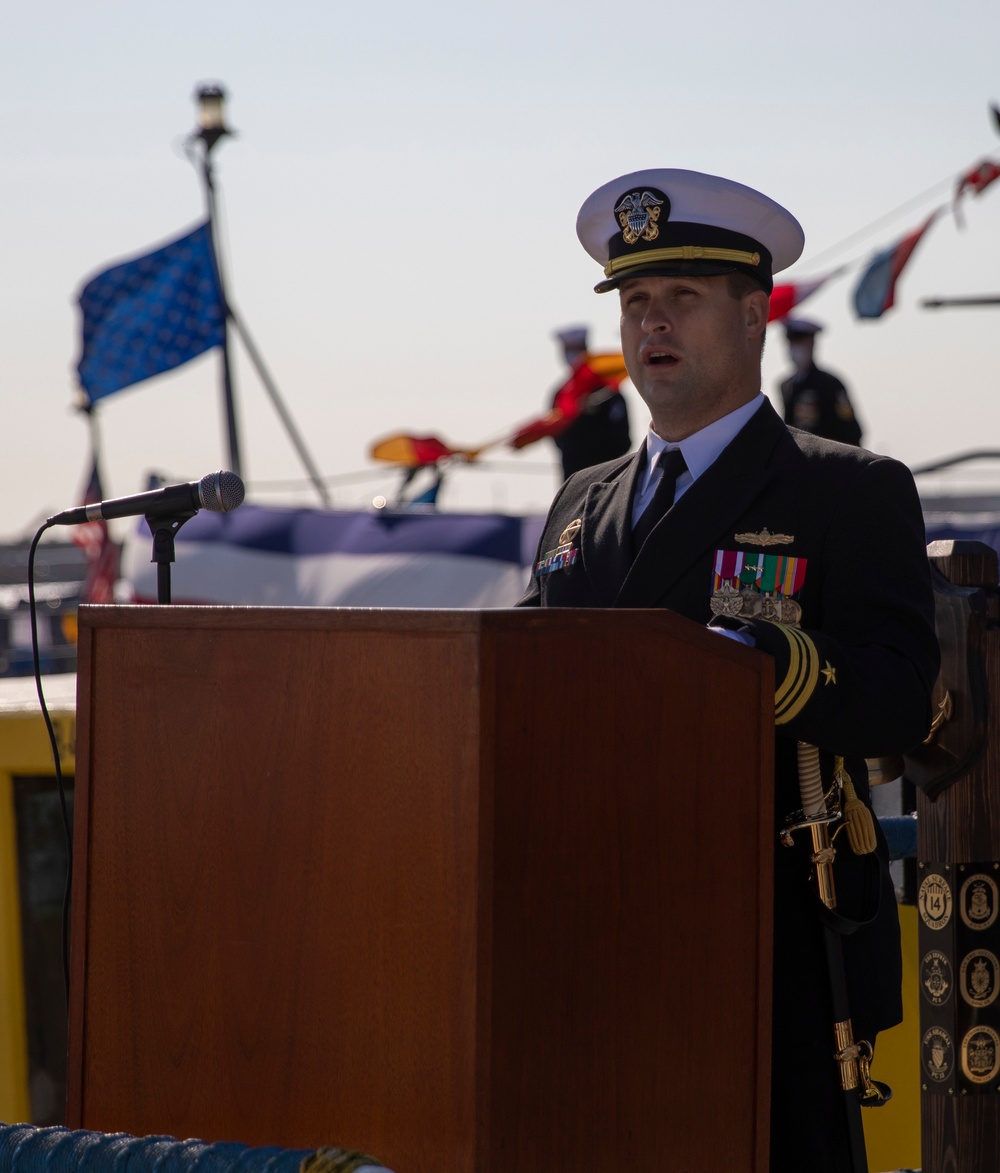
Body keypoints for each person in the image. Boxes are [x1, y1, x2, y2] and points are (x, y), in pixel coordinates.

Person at [518, 167, 939, 1172]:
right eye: (635, 303)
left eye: (682, 299)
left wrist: (767, 668)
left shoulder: (846, 488)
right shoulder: (581, 498)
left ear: (755, 316)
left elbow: (897, 699)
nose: (651, 324)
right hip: (587, 938)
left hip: (769, 951)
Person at [549, 325, 631, 478]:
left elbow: (622, 440)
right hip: (572, 479)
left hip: (606, 478)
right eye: (568, 349)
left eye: (576, 349)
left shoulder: (609, 392)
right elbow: (555, 433)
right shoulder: (561, 394)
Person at [780, 317, 863, 445]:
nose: (794, 348)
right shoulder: (786, 385)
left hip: (828, 457)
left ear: (811, 344)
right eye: (791, 343)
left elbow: (851, 431)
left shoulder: (830, 384)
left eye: (799, 342)